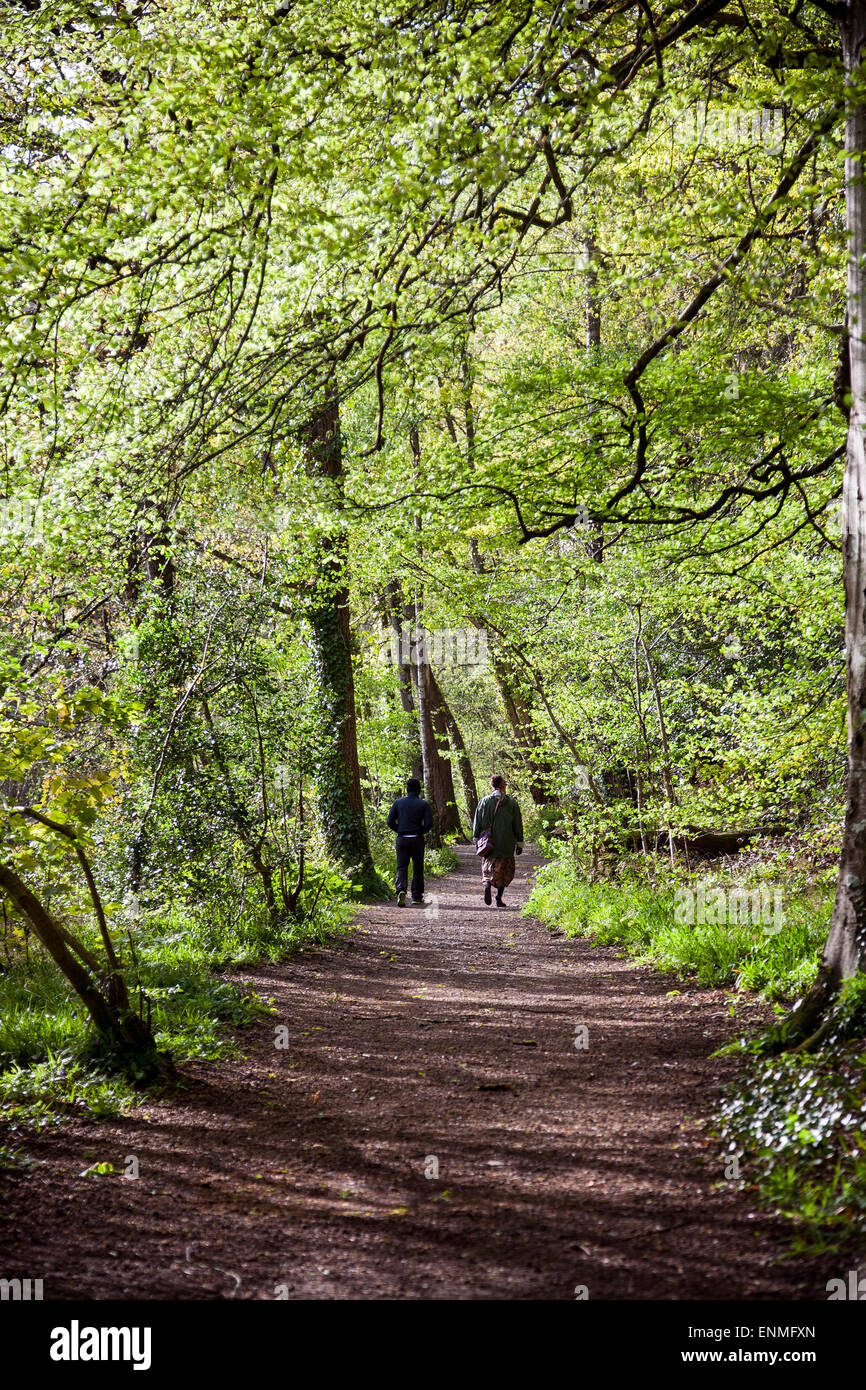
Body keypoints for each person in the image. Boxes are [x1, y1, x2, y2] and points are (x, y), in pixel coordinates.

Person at [472, 773, 524, 908]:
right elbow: (517, 823)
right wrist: (519, 842)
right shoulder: (511, 803)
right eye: (505, 784)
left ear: (492, 786)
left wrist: (476, 837)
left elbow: (477, 820)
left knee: (487, 866)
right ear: (501, 786)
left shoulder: (484, 802)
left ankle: (487, 883)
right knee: (505, 871)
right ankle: (499, 898)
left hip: (488, 843)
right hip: (506, 843)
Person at [386, 777, 434, 906]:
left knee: (401, 867)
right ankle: (416, 896)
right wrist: (420, 832)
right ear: (418, 790)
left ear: (407, 789)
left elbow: (389, 821)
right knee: (418, 868)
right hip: (417, 839)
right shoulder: (423, 804)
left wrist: (400, 830)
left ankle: (401, 890)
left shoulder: (398, 802)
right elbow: (429, 823)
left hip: (402, 839)